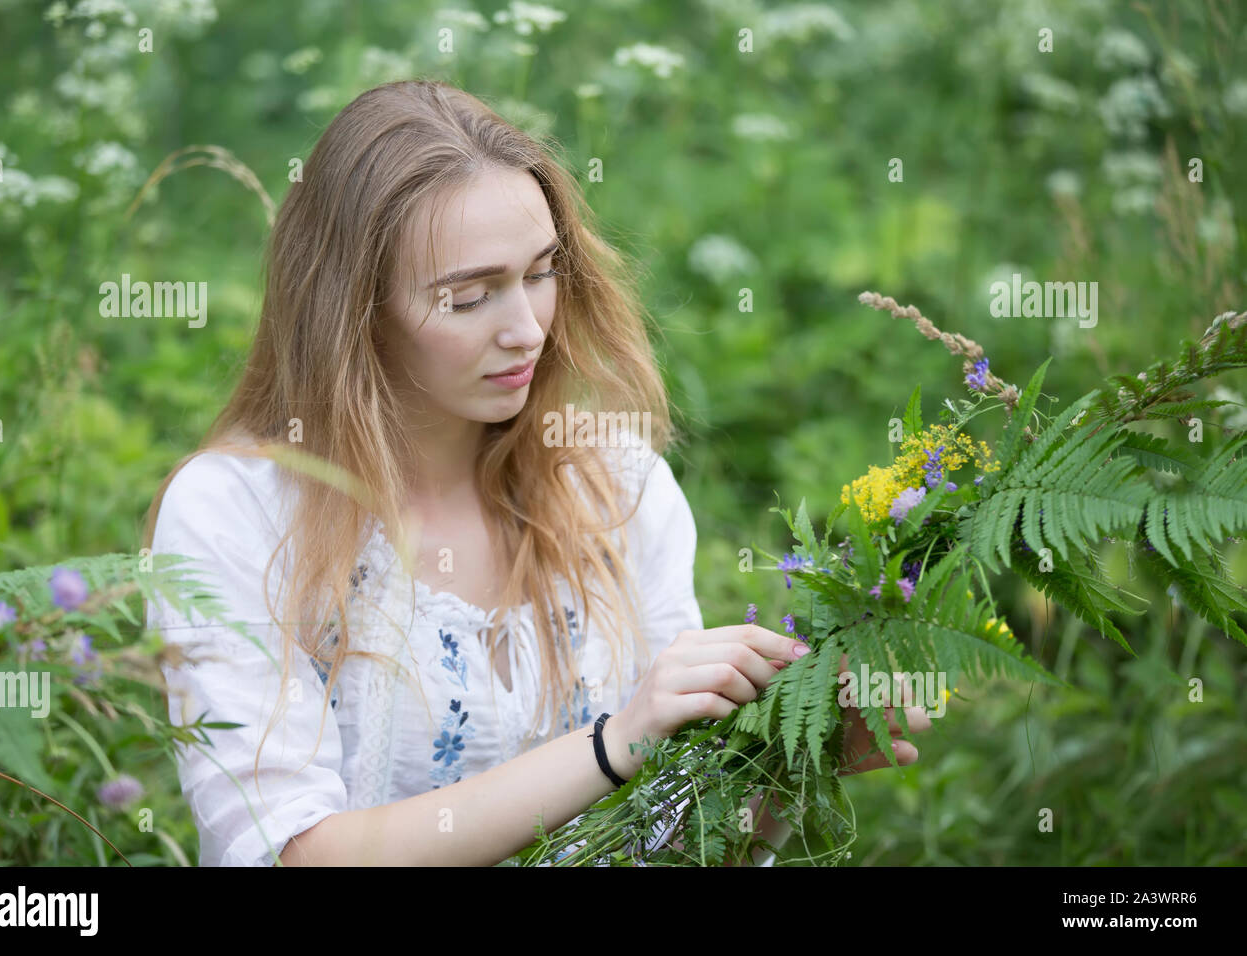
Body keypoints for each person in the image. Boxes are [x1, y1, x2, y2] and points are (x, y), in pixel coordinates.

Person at [142, 79, 930, 867]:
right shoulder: (236, 512)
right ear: (353, 310)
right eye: (470, 296)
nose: (525, 330)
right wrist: (611, 747)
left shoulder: (616, 488)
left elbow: (686, 843)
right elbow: (292, 854)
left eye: (541, 273)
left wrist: (791, 757)